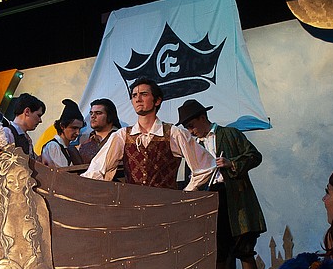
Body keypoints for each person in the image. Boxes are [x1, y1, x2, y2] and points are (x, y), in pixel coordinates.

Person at [177, 99, 267, 269]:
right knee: (216, 254)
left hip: (235, 198)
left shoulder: (230, 134)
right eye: (187, 127)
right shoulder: (192, 145)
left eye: (191, 124)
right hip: (209, 200)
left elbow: (255, 156)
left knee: (245, 251)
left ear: (201, 117)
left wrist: (231, 163)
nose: (190, 130)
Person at [81, 77, 217, 190]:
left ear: (157, 100)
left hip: (166, 209)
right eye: (134, 95)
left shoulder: (173, 133)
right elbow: (97, 169)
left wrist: (187, 192)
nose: (138, 99)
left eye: (144, 94)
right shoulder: (122, 135)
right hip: (133, 208)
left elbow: (206, 166)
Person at [40, 99, 86, 168]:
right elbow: (61, 173)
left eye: (79, 129)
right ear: (62, 126)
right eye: (74, 128)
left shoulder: (68, 148)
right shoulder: (53, 146)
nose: (78, 133)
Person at [77, 98, 120, 165]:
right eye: (91, 113)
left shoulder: (122, 139)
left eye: (98, 113)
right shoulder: (84, 145)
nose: (93, 116)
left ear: (110, 116)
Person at [4, 92, 45, 157]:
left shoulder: (26, 138)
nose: (40, 121)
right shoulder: (7, 133)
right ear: (27, 112)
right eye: (38, 115)